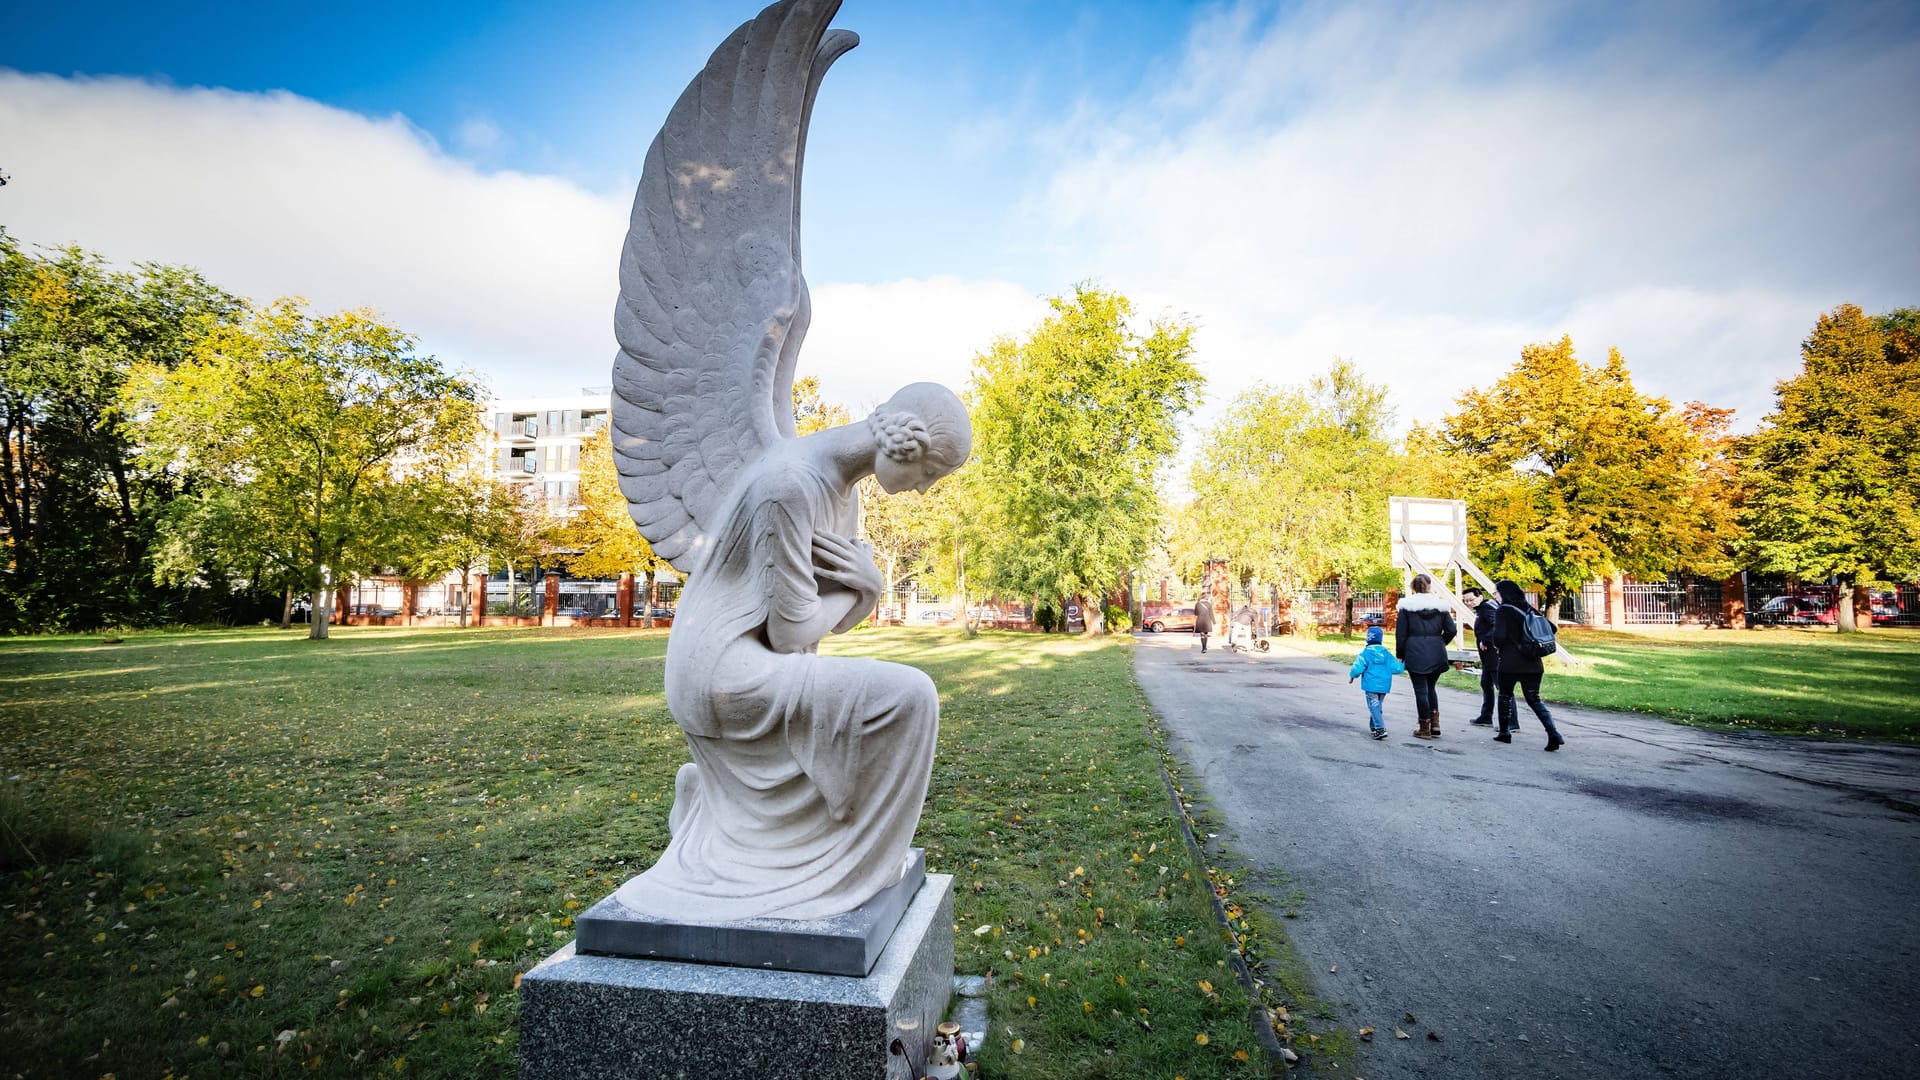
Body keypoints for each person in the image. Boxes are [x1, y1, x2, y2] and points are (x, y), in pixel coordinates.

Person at [619, 383, 973, 920]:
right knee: (912, 698)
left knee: (900, 695)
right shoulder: (790, 486)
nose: (925, 491)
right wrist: (865, 590)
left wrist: (861, 592)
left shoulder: (842, 490)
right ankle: (841, 864)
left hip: (760, 657)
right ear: (908, 445)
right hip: (721, 669)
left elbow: (818, 621)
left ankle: (721, 811)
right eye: (930, 475)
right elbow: (792, 632)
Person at [1490, 579, 1564, 751]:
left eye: (1496, 592)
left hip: (1510, 663)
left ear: (1503, 593)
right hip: (1533, 663)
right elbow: (1551, 628)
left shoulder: (1503, 610)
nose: (1495, 596)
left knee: (1505, 695)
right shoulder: (1528, 608)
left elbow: (1499, 637)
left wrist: (1501, 642)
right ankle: (1553, 733)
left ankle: (1504, 733)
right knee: (1534, 699)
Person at [1394, 573, 1457, 739]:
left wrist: (1400, 653)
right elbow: (1452, 630)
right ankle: (1435, 725)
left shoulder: (1406, 607)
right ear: (1430, 586)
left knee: (1420, 690)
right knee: (1431, 687)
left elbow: (1401, 634)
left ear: (1413, 588)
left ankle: (1424, 727)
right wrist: (1440, 642)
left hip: (1415, 651)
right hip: (1436, 651)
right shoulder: (1441, 606)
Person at [1349, 625, 1406, 740]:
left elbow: (1358, 668)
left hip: (1371, 685)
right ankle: (1374, 726)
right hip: (1384, 685)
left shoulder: (1365, 653)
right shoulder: (1386, 654)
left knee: (1374, 706)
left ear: (1368, 639)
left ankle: (1380, 728)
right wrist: (1404, 663)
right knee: (1377, 706)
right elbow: (1397, 668)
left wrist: (1352, 676)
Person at [1462, 586, 1500, 726]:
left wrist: (1486, 639)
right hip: (1487, 657)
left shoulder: (1486, 608)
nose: (1468, 603)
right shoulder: (1481, 610)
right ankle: (1486, 716)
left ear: (1480, 597)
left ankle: (1511, 722)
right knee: (1486, 684)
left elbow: (1497, 625)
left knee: (1501, 688)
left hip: (1493, 655)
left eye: (1471, 600)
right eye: (1465, 601)